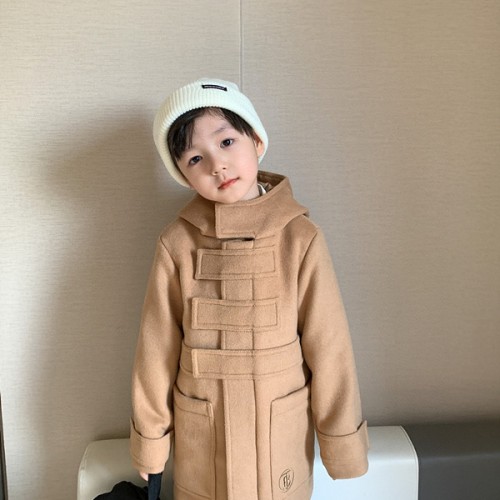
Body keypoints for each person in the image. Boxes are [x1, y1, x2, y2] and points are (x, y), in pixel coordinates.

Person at [130, 78, 369, 500]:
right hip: (204, 434)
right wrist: (151, 440)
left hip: (280, 431)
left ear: (256, 141)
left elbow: (329, 346)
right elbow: (156, 350)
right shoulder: (177, 243)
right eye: (195, 158)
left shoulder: (300, 238)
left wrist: (341, 439)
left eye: (226, 142)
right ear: (184, 176)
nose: (217, 166)